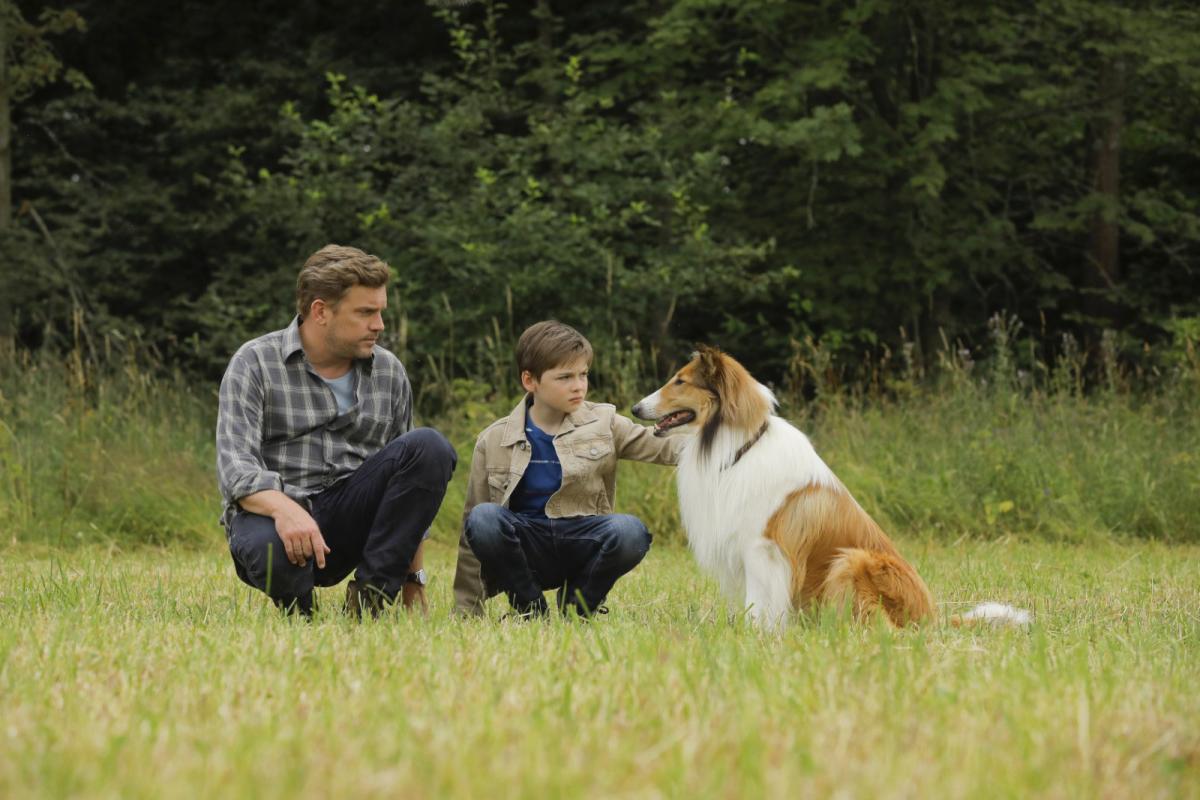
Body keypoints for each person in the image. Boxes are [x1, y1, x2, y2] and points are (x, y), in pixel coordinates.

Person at [216, 244, 457, 618]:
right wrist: (286, 510)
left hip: (350, 518)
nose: (378, 325)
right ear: (320, 311)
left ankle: (371, 599)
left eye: (380, 312)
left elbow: (410, 497)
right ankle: (299, 610)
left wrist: (414, 581)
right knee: (269, 548)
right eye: (365, 313)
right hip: (276, 520)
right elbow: (236, 470)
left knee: (429, 447)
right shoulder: (254, 363)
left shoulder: (389, 372)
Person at [452, 320, 682, 619]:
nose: (578, 385)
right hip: (526, 547)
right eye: (564, 377)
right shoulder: (494, 439)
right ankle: (529, 609)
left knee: (629, 531)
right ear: (529, 380)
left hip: (581, 539)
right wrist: (468, 610)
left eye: (583, 374)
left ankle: (577, 608)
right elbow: (471, 532)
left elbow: (664, 446)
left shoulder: (605, 422)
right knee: (483, 518)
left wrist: (732, 441)